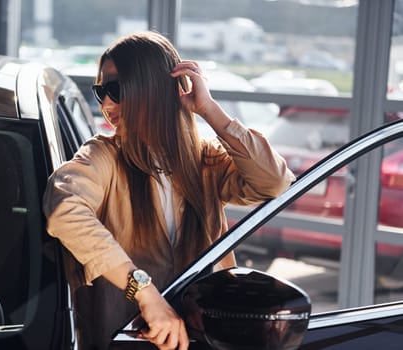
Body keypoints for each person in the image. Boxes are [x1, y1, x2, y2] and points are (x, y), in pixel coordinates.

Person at [43, 31, 295, 350]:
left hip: (205, 339)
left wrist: (209, 111)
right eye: (100, 91)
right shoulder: (103, 155)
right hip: (126, 341)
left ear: (153, 89)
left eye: (116, 89)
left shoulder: (205, 159)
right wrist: (144, 292)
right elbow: (65, 211)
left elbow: (275, 182)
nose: (106, 104)